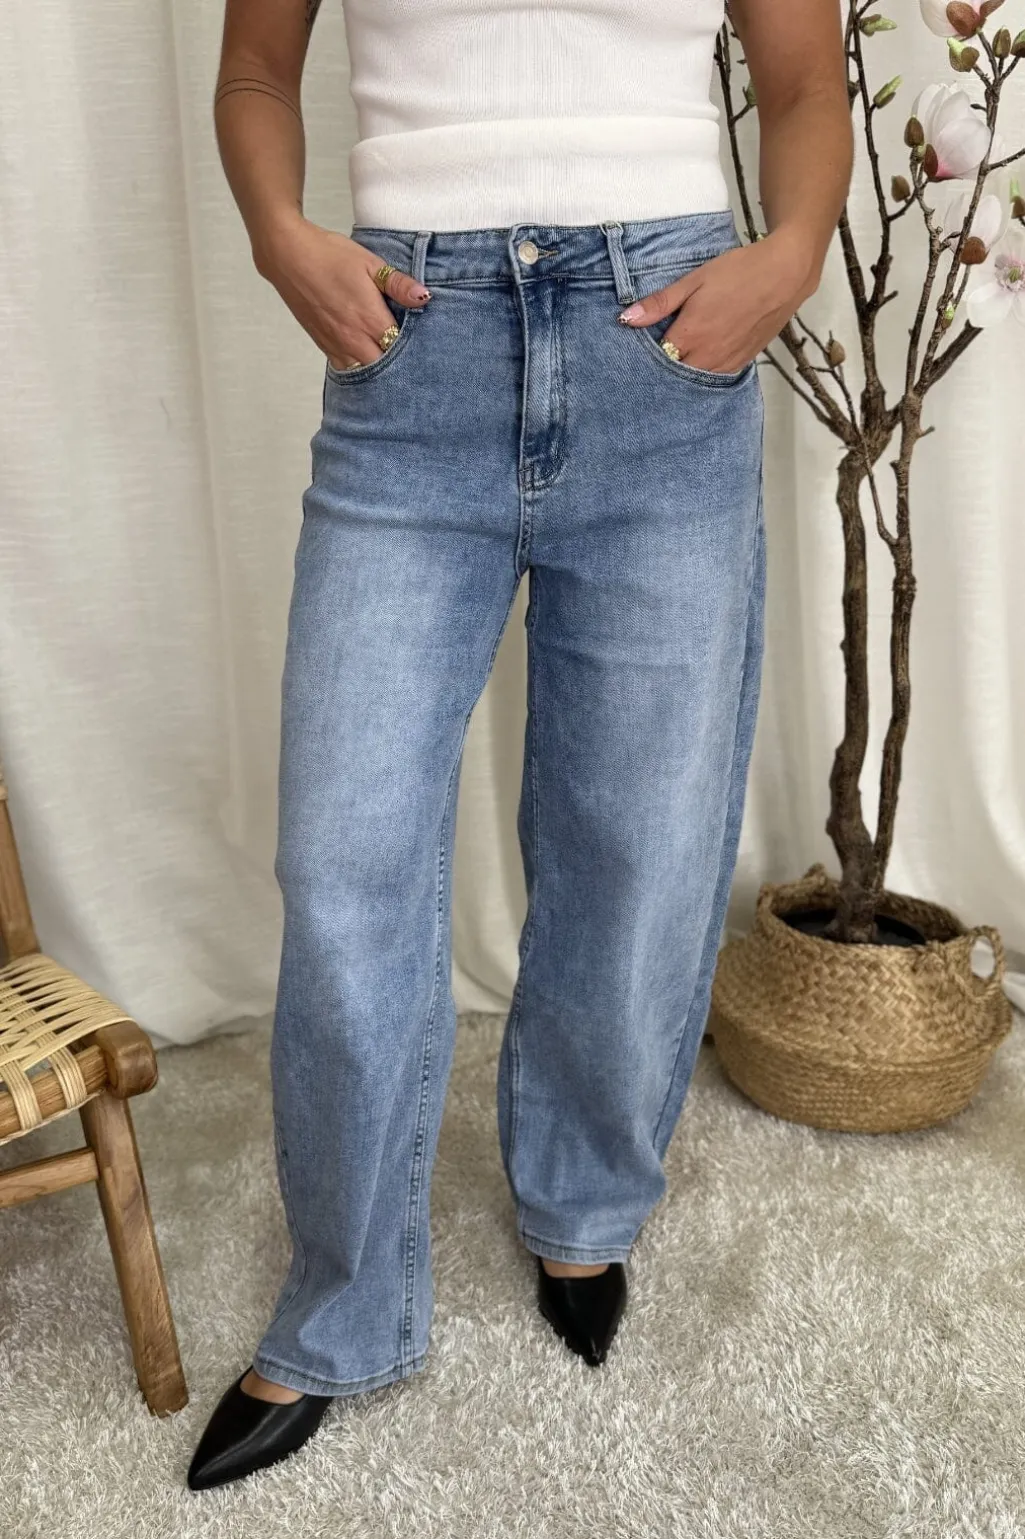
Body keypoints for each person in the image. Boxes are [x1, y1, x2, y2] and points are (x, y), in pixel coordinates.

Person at [187, 0, 852, 1492]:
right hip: (413, 353)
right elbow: (253, 71)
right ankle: (344, 1299)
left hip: (661, 347)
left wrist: (794, 251)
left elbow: (806, 81)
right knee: (344, 853)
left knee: (638, 837)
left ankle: (584, 1206)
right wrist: (280, 237)